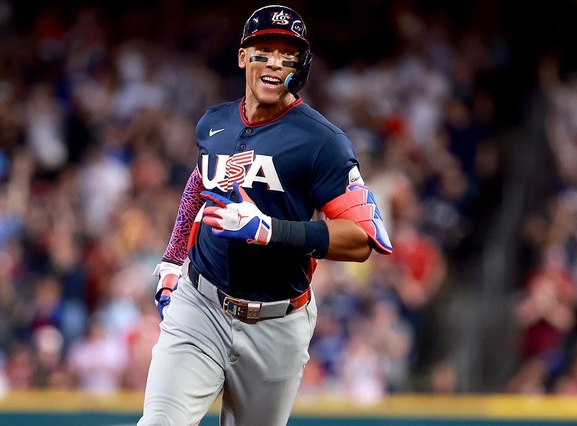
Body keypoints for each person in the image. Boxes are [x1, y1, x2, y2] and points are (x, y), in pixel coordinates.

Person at [138, 5, 393, 425]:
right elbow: (200, 182)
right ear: (243, 57)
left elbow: (362, 239)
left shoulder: (322, 142)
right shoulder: (214, 122)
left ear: (300, 66)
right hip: (200, 306)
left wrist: (270, 230)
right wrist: (171, 258)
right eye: (264, 50)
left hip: (276, 323)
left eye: (288, 54)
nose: (275, 62)